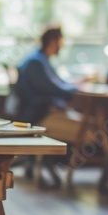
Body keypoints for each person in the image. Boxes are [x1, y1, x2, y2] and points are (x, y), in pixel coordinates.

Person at [13, 27, 81, 186]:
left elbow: (58, 85)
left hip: (40, 111)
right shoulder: (36, 63)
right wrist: (76, 88)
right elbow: (55, 89)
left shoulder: (40, 60)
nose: (63, 45)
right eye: (61, 41)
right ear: (52, 41)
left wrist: (75, 85)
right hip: (38, 115)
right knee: (89, 128)